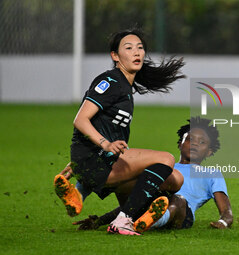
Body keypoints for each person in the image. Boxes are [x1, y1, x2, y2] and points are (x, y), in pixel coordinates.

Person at [54, 28, 185, 236]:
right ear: (115, 56)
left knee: (175, 180)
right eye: (129, 48)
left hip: (105, 161)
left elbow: (104, 126)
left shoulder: (124, 86)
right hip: (98, 161)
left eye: (140, 48)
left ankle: (128, 211)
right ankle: (124, 219)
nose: (137, 52)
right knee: (167, 158)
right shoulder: (111, 81)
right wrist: (103, 145)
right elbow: (80, 119)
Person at [72, 117, 233, 232]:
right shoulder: (164, 167)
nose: (196, 144)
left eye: (202, 142)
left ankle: (148, 222)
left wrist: (223, 222)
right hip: (151, 201)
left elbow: (226, 211)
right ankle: (81, 192)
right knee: (126, 176)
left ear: (210, 152)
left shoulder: (211, 174)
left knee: (178, 200)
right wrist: (100, 221)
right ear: (180, 144)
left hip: (182, 213)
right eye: (190, 139)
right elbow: (140, 195)